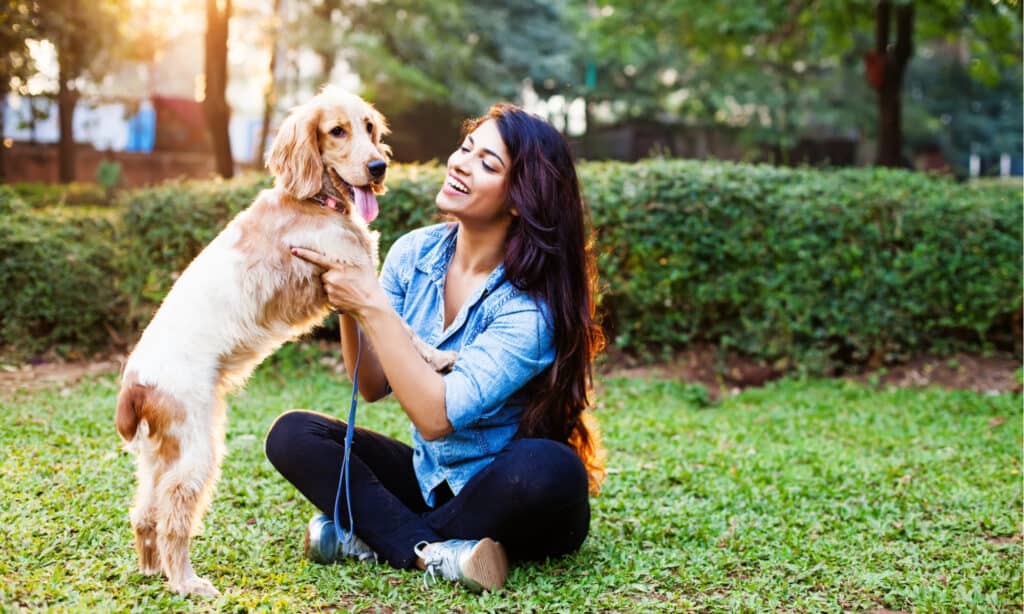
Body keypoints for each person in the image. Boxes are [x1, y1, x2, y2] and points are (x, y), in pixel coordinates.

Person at [264, 103, 605, 592]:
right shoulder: (413, 253)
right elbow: (371, 383)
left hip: (508, 492)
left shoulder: (530, 308)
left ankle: (381, 540)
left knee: (550, 467)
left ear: (520, 199)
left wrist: (371, 303)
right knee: (294, 434)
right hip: (430, 481)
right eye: (466, 148)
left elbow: (436, 417)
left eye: (488, 164)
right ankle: (438, 552)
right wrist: (347, 295)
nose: (461, 163)